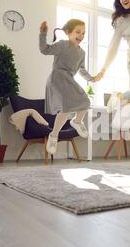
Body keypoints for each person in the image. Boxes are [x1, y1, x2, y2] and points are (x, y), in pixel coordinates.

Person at [39, 19, 102, 155]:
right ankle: (54, 135)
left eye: (83, 33)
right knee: (66, 107)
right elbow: (44, 50)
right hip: (57, 79)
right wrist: (42, 34)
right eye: (78, 32)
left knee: (85, 102)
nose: (81, 36)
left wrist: (92, 79)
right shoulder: (62, 45)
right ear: (68, 32)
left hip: (69, 80)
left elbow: (82, 70)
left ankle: (77, 121)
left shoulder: (82, 53)